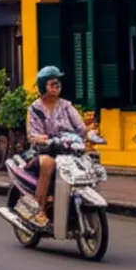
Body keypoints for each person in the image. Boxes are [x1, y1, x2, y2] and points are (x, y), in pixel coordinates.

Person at [26, 65, 88, 228]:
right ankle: (39, 210)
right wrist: (43, 139)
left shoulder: (66, 106)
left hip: (67, 151)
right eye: (52, 84)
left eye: (58, 83)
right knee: (48, 164)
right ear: (43, 86)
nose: (56, 87)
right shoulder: (35, 109)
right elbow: (33, 134)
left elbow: (80, 127)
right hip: (45, 151)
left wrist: (90, 135)